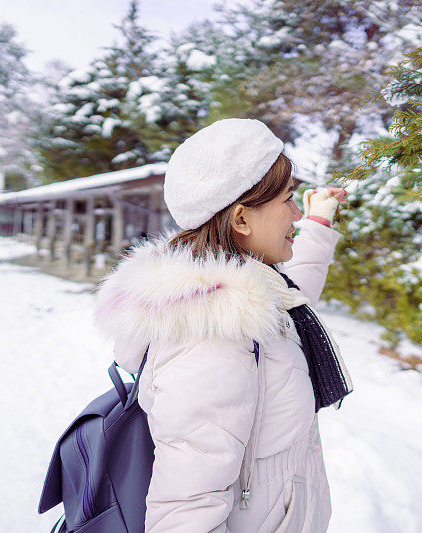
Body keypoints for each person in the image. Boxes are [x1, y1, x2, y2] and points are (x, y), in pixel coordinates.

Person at [94, 118, 353, 532]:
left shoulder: (254, 294)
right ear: (241, 220)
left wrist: (319, 224)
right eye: (288, 200)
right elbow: (186, 504)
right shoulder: (212, 335)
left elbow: (294, 296)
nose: (296, 213)